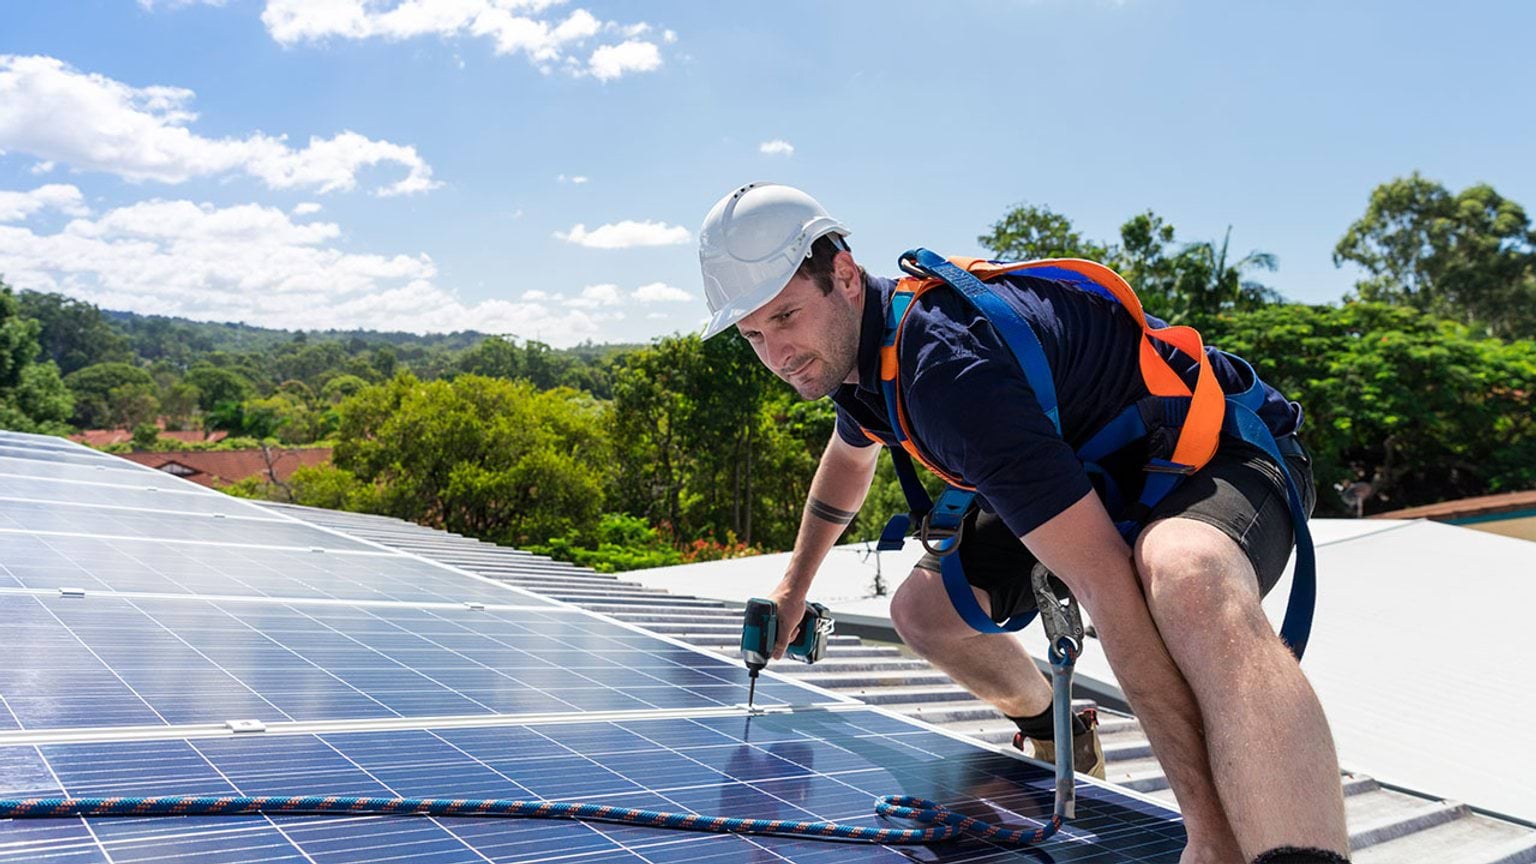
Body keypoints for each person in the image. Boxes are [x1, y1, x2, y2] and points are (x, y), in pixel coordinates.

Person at [698, 182, 1350, 864]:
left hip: (1214, 454)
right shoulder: (862, 358)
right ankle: (1054, 726)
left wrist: (1208, 833)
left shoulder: (947, 372)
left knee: (1184, 575)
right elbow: (847, 459)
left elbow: (1109, 591)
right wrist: (794, 586)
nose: (777, 353)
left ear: (844, 275)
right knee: (925, 614)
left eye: (787, 317)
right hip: (1092, 469)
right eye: (754, 334)